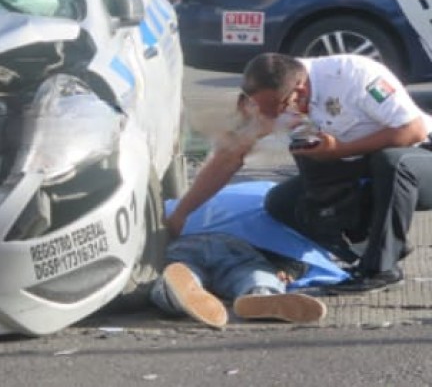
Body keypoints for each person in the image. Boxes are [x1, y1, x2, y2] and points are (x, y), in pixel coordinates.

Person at [167, 53, 432, 294]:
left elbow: (413, 131)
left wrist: (339, 149)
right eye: (263, 110)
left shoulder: (354, 75)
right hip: (362, 170)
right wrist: (182, 213)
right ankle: (374, 248)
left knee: (392, 162)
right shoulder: (270, 103)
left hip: (420, 161)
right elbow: (228, 158)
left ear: (300, 91)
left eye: (278, 109)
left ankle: (380, 269)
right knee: (281, 203)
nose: (271, 117)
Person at [150, 233, 327, 329]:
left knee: (181, 269)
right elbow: (296, 249)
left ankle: (175, 292)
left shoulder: (185, 207)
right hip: (239, 245)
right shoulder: (262, 209)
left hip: (185, 241)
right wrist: (290, 270)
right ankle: (261, 292)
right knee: (252, 272)